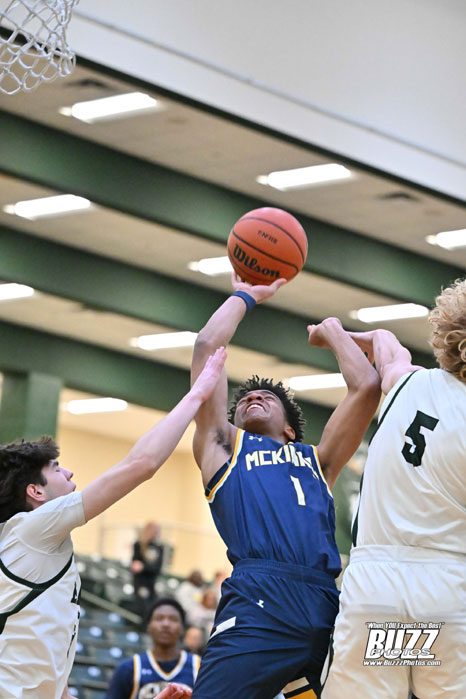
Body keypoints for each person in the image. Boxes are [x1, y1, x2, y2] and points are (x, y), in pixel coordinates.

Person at [189, 276, 381, 699]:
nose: (252, 399)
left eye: (267, 398)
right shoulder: (224, 449)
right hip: (259, 600)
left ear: (291, 430)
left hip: (327, 602)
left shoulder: (319, 461)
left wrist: (333, 332)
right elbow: (206, 346)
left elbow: (367, 387)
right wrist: (245, 294)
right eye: (244, 400)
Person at [0, 348, 226, 699]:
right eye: (56, 469)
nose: (69, 472)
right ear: (36, 491)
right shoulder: (32, 528)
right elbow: (141, 464)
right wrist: (197, 394)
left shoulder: (43, 553)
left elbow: (56, 691)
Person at [322, 278, 466, 699]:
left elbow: (387, 348)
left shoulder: (407, 383)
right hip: (447, 594)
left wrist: (336, 334)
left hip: (377, 591)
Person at [106, 598, 200, 699]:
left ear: (182, 628)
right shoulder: (128, 668)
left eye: (173, 619)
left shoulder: (199, 667)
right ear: (148, 626)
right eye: (159, 618)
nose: (166, 624)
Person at [131, 521, 165, 614]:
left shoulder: (159, 547)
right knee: (141, 607)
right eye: (154, 531)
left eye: (157, 531)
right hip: (140, 582)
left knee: (151, 608)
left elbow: (157, 568)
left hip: (152, 583)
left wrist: (144, 567)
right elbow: (135, 565)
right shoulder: (139, 545)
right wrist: (146, 567)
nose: (156, 534)